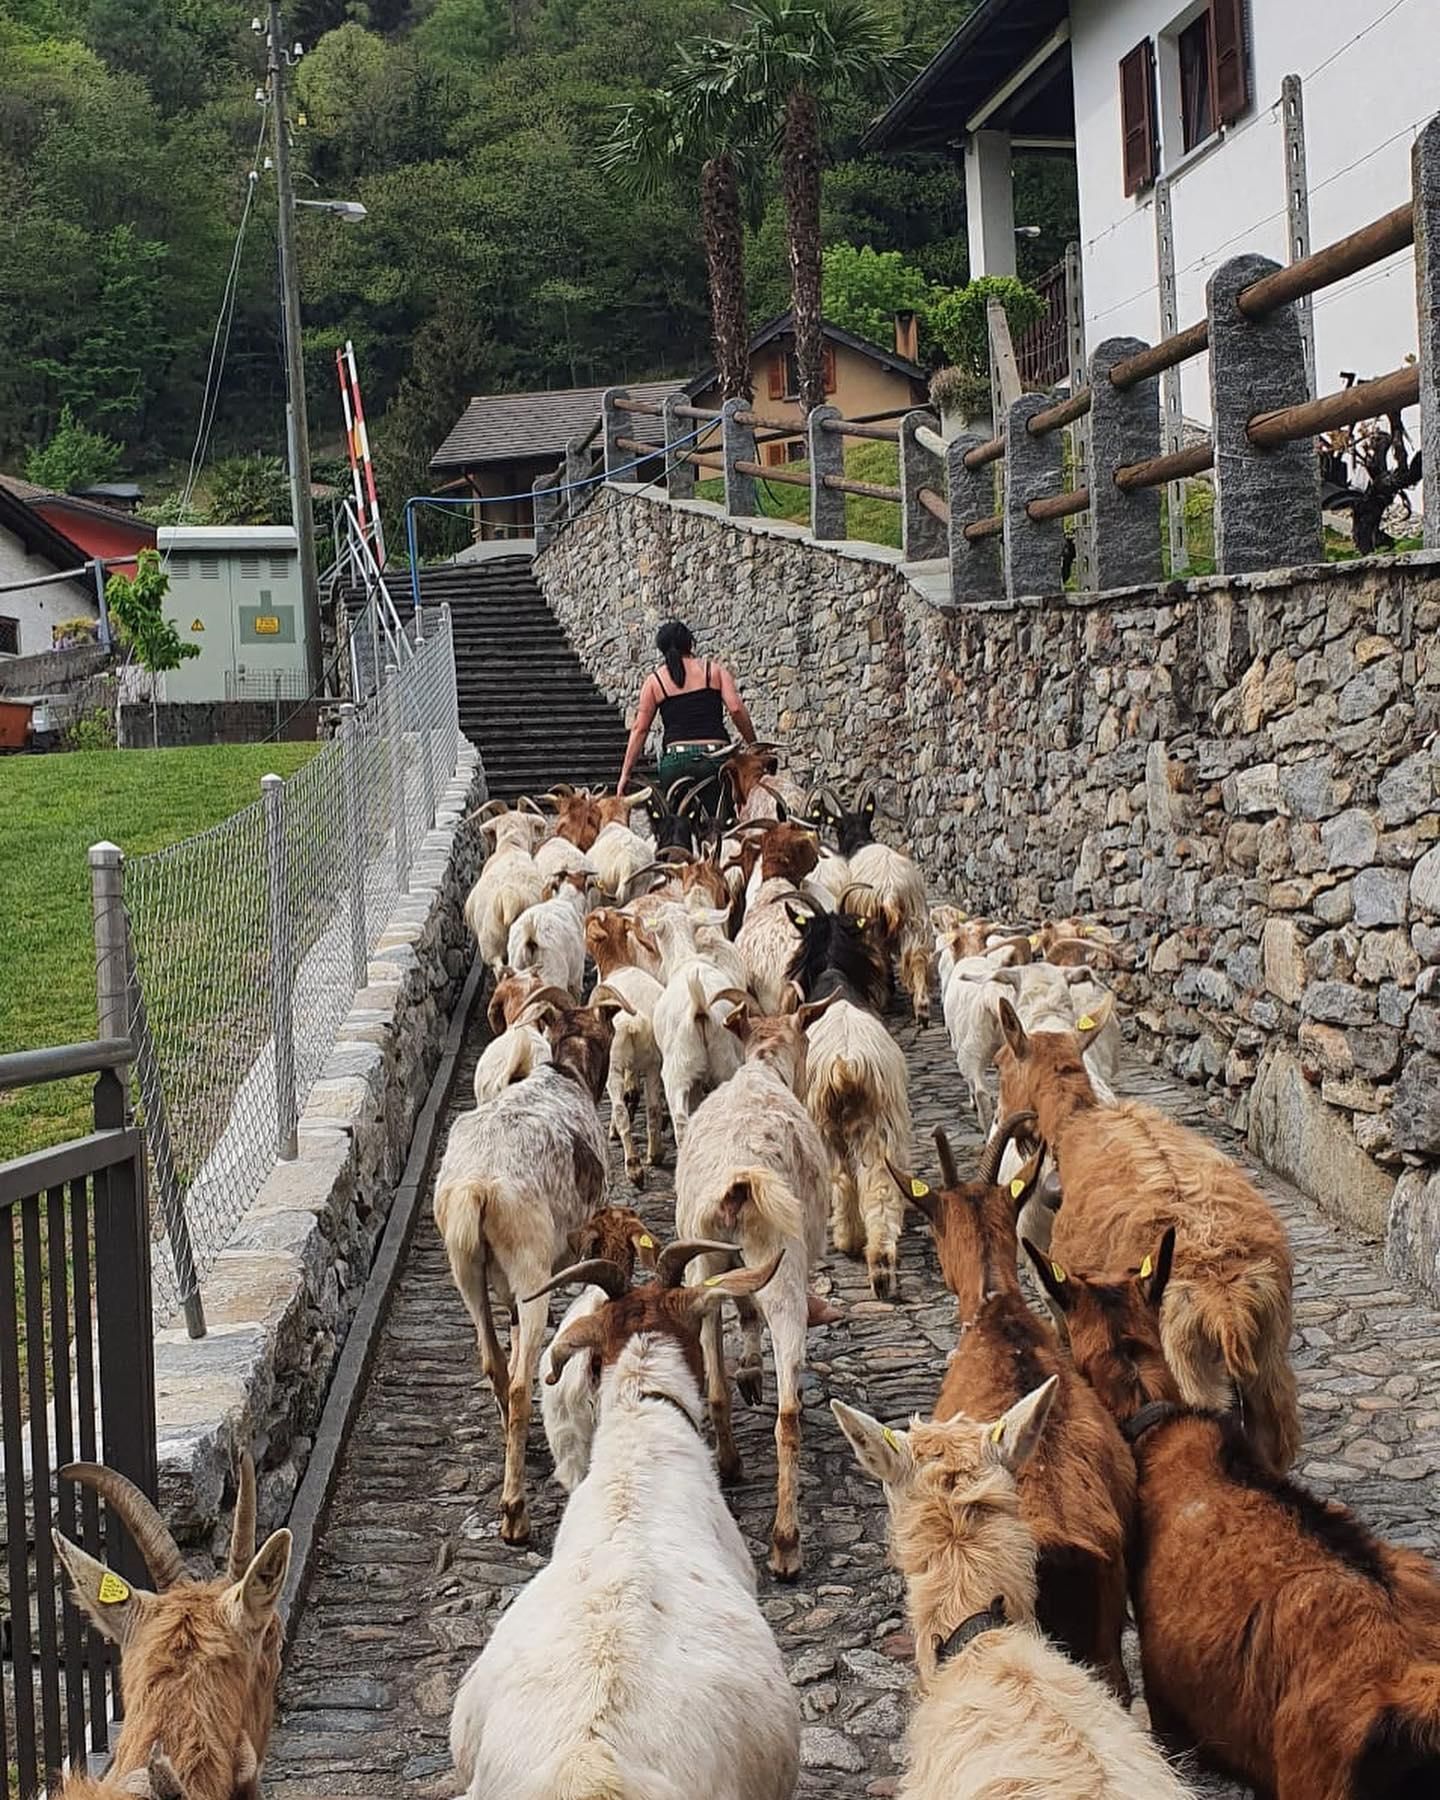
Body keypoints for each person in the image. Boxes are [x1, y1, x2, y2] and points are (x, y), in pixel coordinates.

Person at [616, 619, 756, 805]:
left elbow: (640, 729)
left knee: (677, 825)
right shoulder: (714, 671)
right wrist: (754, 744)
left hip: (676, 761)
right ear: (690, 643)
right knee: (724, 818)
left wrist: (626, 773)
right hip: (716, 758)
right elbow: (736, 709)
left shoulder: (655, 681)